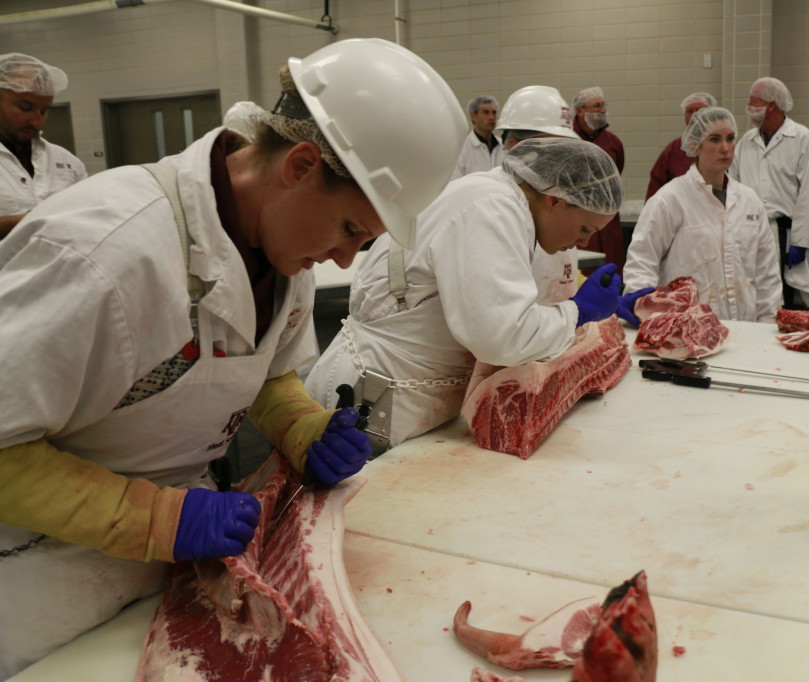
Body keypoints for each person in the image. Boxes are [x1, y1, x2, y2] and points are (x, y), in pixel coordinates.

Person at [0, 38, 467, 677]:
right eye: (352, 230)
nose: (345, 260)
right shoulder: (106, 253)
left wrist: (302, 428)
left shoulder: (280, 244)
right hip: (34, 576)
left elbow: (261, 372)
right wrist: (158, 518)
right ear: (301, 165)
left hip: (159, 569)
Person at [304, 137, 641, 450]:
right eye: (584, 228)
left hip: (403, 389)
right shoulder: (492, 207)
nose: (583, 243)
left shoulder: (499, 200)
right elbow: (502, 335)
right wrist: (577, 312)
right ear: (555, 199)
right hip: (374, 398)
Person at [624, 107, 782, 323]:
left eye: (730, 138)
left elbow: (767, 274)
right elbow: (642, 262)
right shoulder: (670, 200)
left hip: (745, 330)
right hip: (685, 331)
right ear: (695, 145)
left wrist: (769, 323)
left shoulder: (749, 201)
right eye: (715, 140)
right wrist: (646, 318)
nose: (725, 148)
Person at [732, 77, 809, 309]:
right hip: (751, 230)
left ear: (771, 105)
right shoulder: (746, 141)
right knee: (753, 296)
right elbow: (733, 185)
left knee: (783, 300)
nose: (749, 107)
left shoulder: (803, 139)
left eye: (754, 102)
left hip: (785, 234)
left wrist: (800, 242)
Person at [495, 84, 582, 305]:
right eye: (553, 147)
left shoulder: (553, 194)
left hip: (559, 328)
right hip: (527, 331)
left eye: (566, 147)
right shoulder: (497, 207)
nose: (563, 157)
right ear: (516, 147)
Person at [0, 53, 86, 240]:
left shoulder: (66, 161)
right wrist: (21, 223)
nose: (36, 120)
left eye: (44, 111)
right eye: (25, 108)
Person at [572, 86, 626, 274]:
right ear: (580, 111)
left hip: (607, 224)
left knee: (609, 275)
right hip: (575, 219)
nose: (602, 110)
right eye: (596, 106)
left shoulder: (613, 142)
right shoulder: (566, 140)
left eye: (603, 105)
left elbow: (617, 173)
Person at [645, 92, 716, 200]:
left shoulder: (722, 147)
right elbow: (656, 187)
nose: (694, 115)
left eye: (700, 111)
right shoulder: (673, 149)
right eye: (689, 111)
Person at [450, 94, 503, 180]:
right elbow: (455, 182)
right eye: (485, 112)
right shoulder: (461, 148)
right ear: (473, 116)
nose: (491, 117)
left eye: (494, 112)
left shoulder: (503, 145)